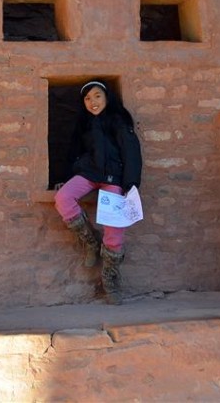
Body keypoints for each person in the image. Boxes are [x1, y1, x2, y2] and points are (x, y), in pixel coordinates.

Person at [54, 80, 142, 304]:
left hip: (113, 177)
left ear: (107, 97)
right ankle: (91, 242)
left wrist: (130, 183)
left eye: (97, 96)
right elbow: (72, 152)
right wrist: (63, 179)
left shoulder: (118, 121)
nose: (92, 102)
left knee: (114, 228)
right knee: (63, 197)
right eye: (87, 98)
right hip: (89, 174)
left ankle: (110, 279)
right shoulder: (83, 125)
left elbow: (131, 151)